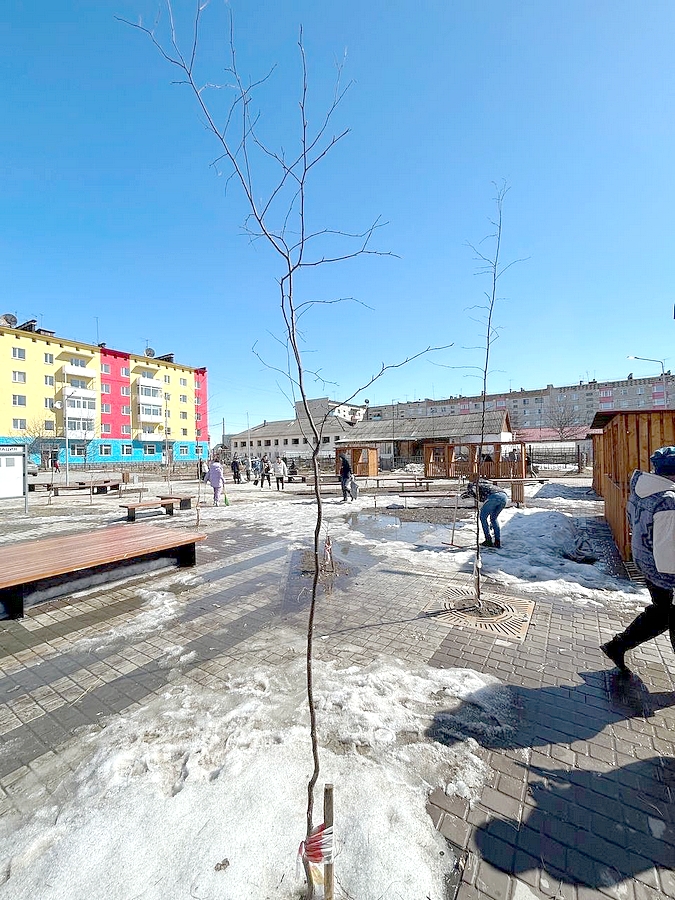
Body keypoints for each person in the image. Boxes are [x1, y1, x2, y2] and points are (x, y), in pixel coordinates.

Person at [601, 446, 675, 672]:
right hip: (666, 570)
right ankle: (617, 646)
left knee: (662, 614)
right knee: (666, 613)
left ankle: (618, 646)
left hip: (645, 560)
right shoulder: (668, 501)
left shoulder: (643, 490)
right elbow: (668, 551)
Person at [462, 479, 508, 548]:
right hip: (504, 497)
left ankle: (488, 540)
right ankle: (497, 541)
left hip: (493, 497)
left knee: (483, 517)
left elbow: (473, 492)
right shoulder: (487, 485)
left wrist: (467, 494)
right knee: (493, 518)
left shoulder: (474, 486)